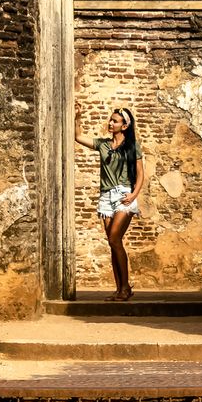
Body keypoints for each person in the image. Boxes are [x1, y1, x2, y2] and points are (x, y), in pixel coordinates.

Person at [75, 107, 145, 301]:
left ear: (124, 125)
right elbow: (78, 136)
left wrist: (133, 195)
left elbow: (141, 174)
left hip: (124, 195)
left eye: (115, 121)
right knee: (113, 243)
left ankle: (125, 287)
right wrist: (78, 117)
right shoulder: (103, 145)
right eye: (111, 120)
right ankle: (121, 289)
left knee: (115, 238)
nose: (110, 123)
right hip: (105, 197)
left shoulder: (133, 146)